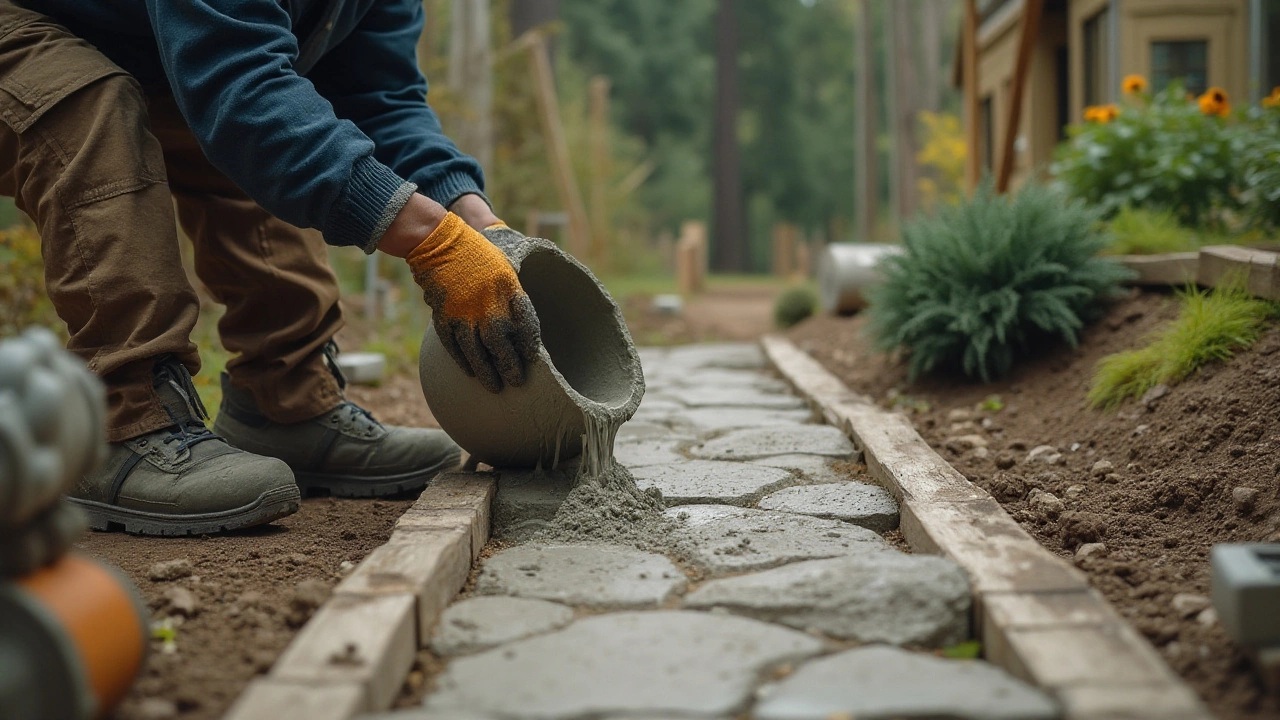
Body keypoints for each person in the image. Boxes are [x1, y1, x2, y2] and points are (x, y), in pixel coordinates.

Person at [0, 0, 541, 536]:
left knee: (266, 125)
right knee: (91, 107)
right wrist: (430, 240)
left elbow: (383, 99)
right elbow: (239, 88)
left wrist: (471, 214)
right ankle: (126, 419)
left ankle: (285, 402)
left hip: (122, 37)